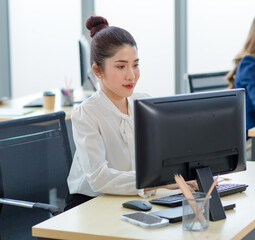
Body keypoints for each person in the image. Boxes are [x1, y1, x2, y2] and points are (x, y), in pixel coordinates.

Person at [66, 16, 196, 210]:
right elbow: (99, 179)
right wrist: (157, 182)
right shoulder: (87, 113)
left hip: (133, 198)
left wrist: (189, 174)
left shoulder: (144, 103)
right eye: (121, 66)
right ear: (97, 71)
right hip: (90, 204)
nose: (131, 75)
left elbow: (164, 155)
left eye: (135, 65)